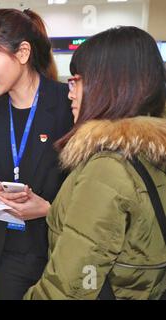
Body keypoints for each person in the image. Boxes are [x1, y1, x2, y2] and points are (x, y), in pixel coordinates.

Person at [19, 26, 166, 299]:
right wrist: (53, 211)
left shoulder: (107, 168)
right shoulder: (149, 153)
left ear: (109, 84)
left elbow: (69, 287)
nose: (70, 93)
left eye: (77, 81)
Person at [0, 8, 74, 299]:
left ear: (23, 53)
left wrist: (48, 209)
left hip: (58, 250)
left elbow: (82, 188)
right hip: (7, 254)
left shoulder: (66, 105)